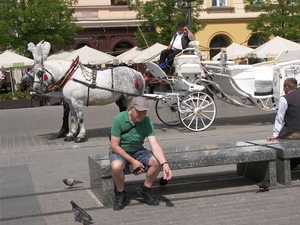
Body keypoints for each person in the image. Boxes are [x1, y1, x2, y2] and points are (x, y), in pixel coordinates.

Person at [109, 96, 172, 210]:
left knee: (156, 161)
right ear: (131, 109)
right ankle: (121, 193)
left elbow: (155, 145)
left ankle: (145, 189)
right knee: (116, 166)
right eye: (139, 112)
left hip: (138, 150)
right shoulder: (119, 118)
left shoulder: (147, 121)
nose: (142, 115)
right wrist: (133, 162)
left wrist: (165, 164)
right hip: (120, 151)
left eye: (144, 112)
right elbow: (114, 146)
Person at [266, 78, 300, 168]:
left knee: (279, 143)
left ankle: (287, 166)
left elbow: (279, 117)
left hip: (294, 132)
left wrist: (275, 134)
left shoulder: (285, 99)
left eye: (283, 88)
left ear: (286, 87)